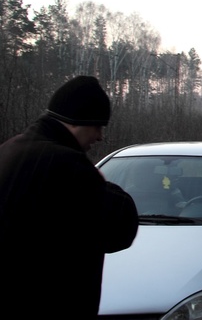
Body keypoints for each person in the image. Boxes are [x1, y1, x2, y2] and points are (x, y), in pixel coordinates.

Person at [0, 76, 139, 317]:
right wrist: (103, 183)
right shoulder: (66, 166)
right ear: (78, 121)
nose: (99, 137)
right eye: (98, 126)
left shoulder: (9, 150)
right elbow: (121, 227)